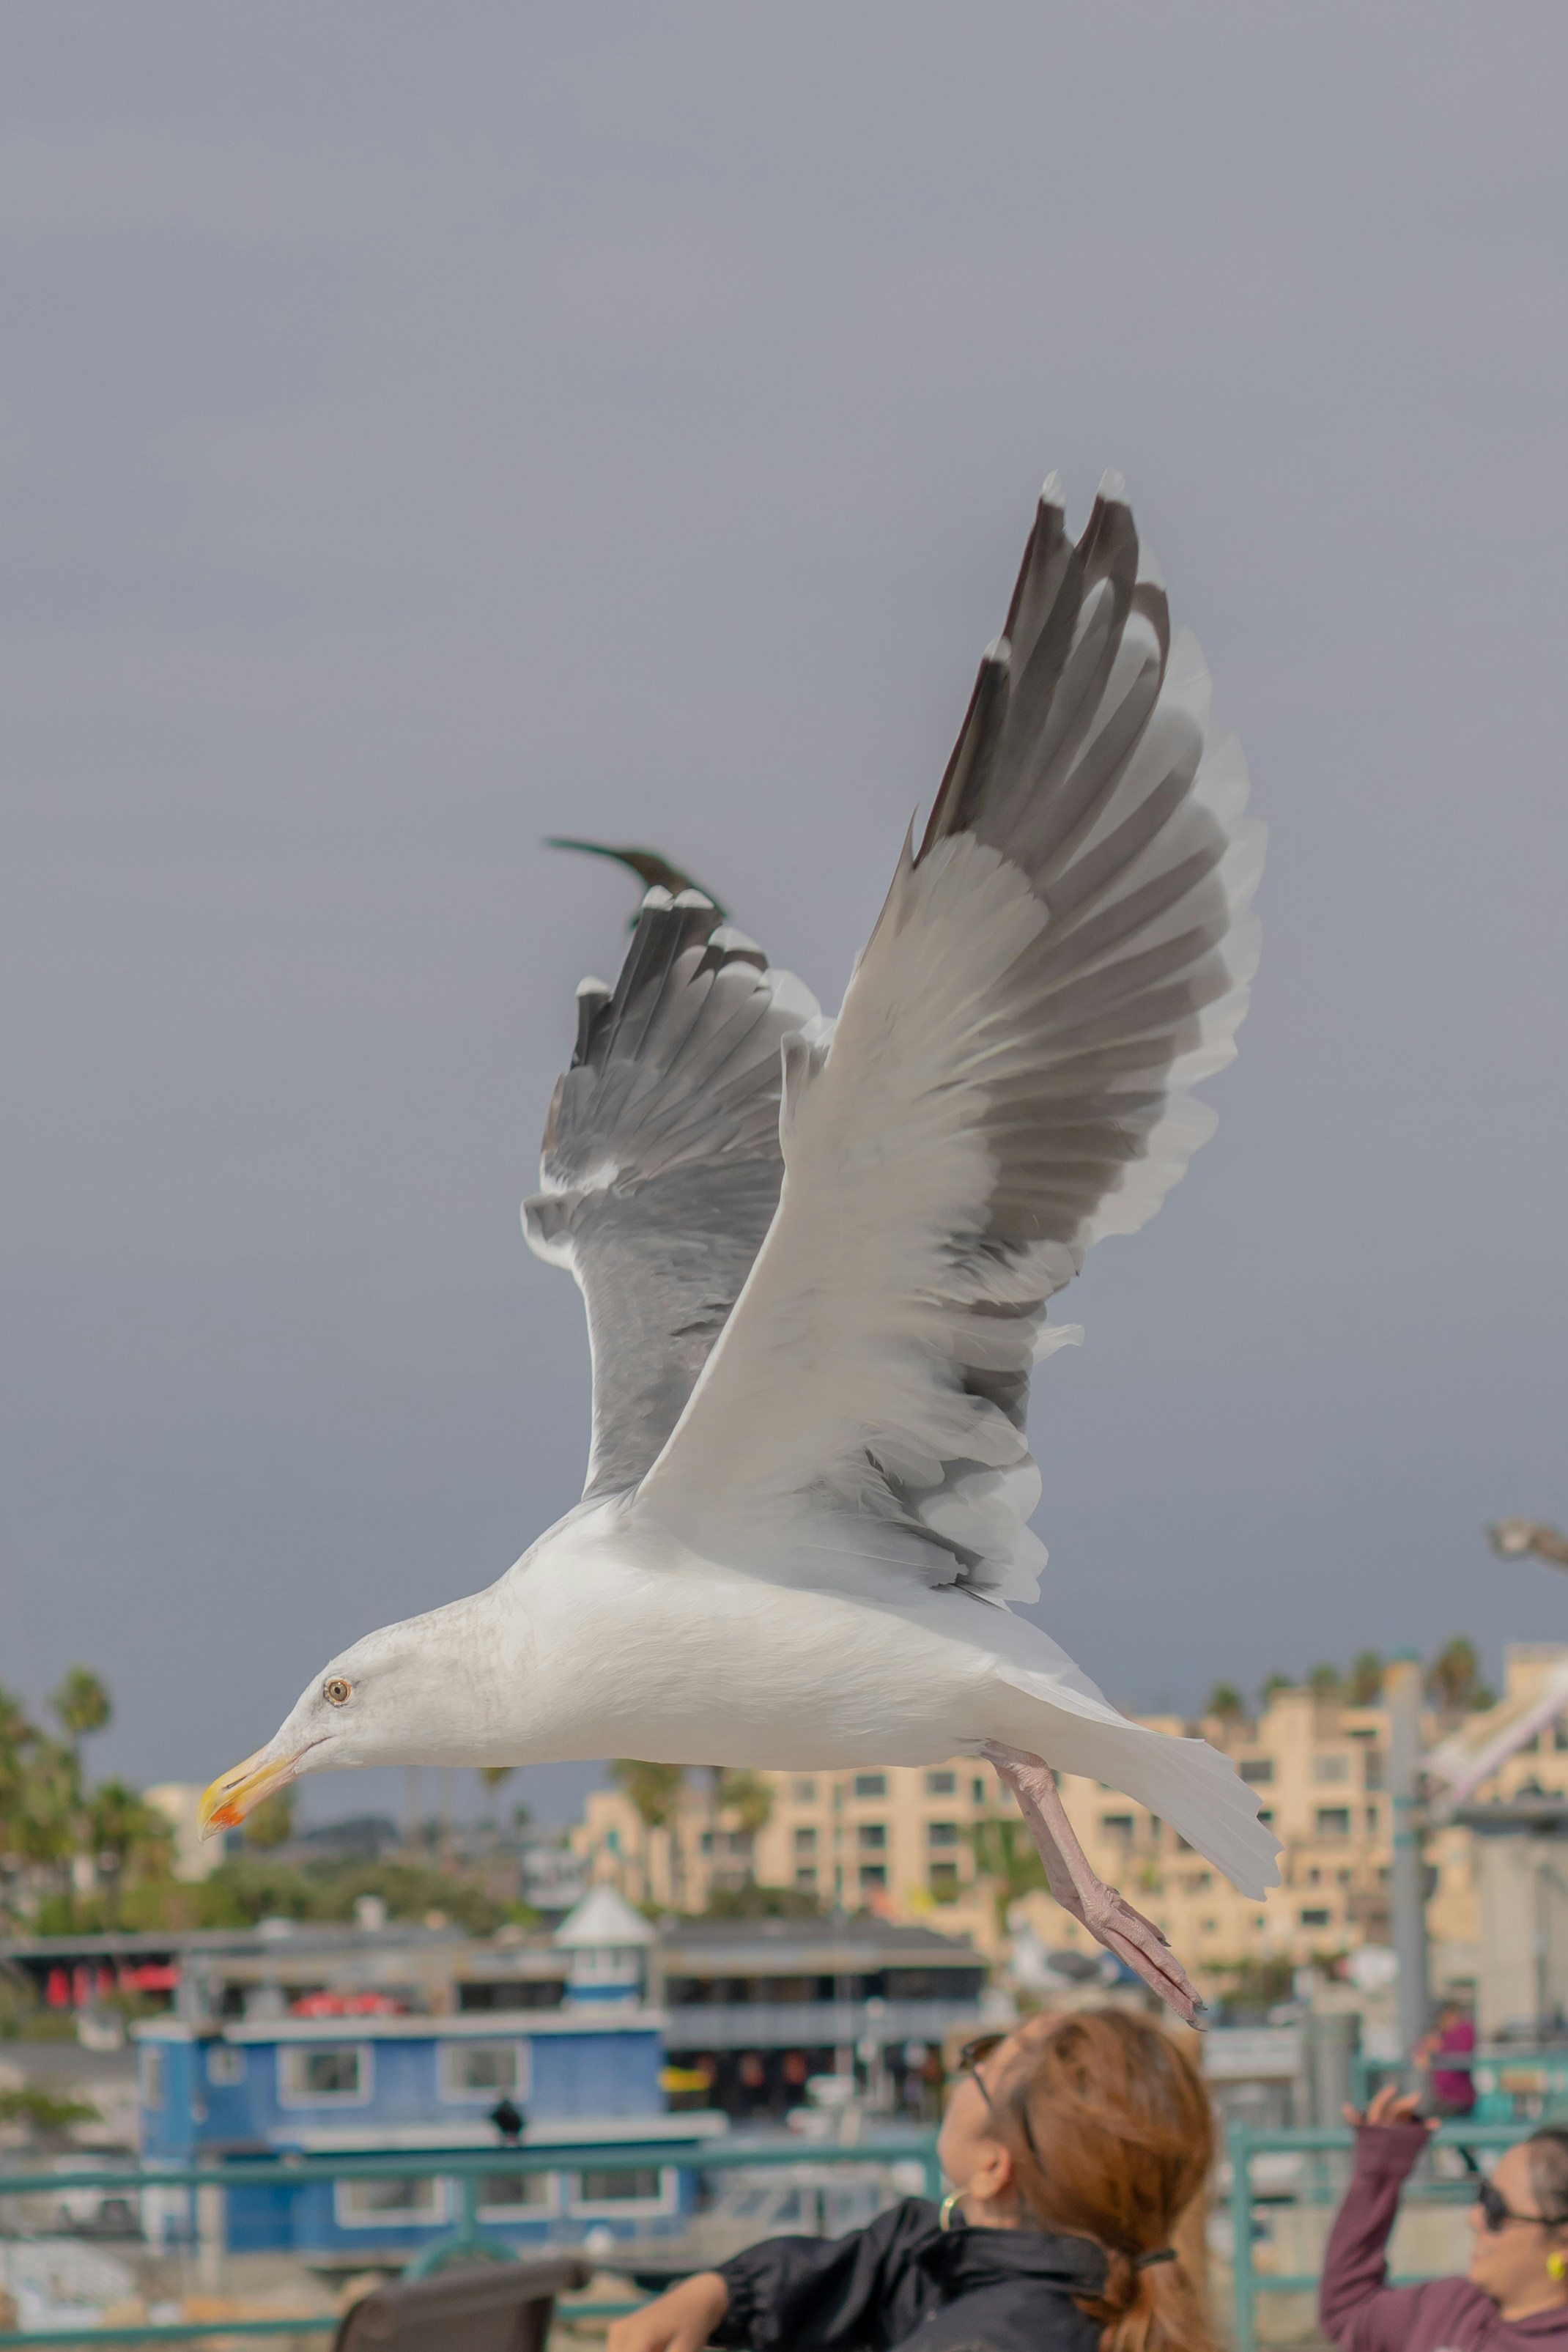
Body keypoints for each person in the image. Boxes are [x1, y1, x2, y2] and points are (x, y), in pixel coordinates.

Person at [607, 2008, 1218, 2352]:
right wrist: (718, 2293)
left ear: (992, 2167)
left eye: (982, 2060)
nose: (960, 2070)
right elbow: (888, 2262)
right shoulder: (1086, 2291)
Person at [1321, 2083, 1568, 2346]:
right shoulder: (1453, 2307)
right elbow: (1349, 2312)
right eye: (1483, 2195)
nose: (1474, 2218)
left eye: (1497, 2209)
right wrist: (1380, 2166)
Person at [1416, 2000, 1478, 2118]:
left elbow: (1461, 2051)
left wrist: (1439, 2046)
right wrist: (1422, 2051)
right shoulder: (1442, 2033)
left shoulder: (1465, 2029)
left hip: (1460, 2098)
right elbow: (1421, 2047)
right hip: (1442, 2098)